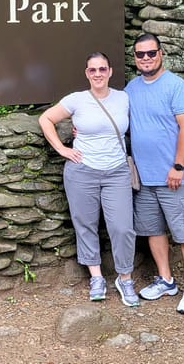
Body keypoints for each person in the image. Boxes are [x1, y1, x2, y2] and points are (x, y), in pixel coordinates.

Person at [38, 52, 139, 307]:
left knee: (123, 227)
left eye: (102, 69)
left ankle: (125, 277)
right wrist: (62, 148)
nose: (98, 74)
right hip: (83, 171)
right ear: (86, 73)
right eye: (92, 70)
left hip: (116, 170)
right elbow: (46, 118)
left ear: (110, 72)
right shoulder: (76, 100)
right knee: (86, 224)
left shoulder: (124, 98)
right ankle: (96, 277)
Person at [125, 33, 184, 315]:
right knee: (152, 230)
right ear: (135, 58)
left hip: (174, 177)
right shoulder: (131, 89)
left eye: (150, 53)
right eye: (140, 54)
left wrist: (178, 166)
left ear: (161, 53)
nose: (146, 58)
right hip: (145, 179)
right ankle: (166, 279)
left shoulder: (177, 87)